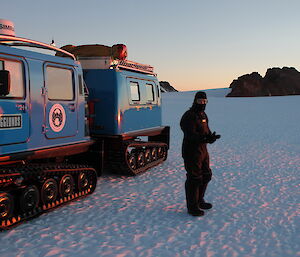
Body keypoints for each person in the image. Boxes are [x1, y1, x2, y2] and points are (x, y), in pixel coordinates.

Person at [180, 91, 220, 216]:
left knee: (206, 175)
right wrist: (203, 139)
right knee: (194, 178)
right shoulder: (189, 115)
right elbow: (190, 134)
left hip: (202, 150)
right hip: (191, 151)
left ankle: (199, 200)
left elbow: (206, 130)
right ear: (195, 101)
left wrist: (210, 137)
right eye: (200, 101)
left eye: (204, 101)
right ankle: (192, 207)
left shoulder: (203, 115)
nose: (202, 104)